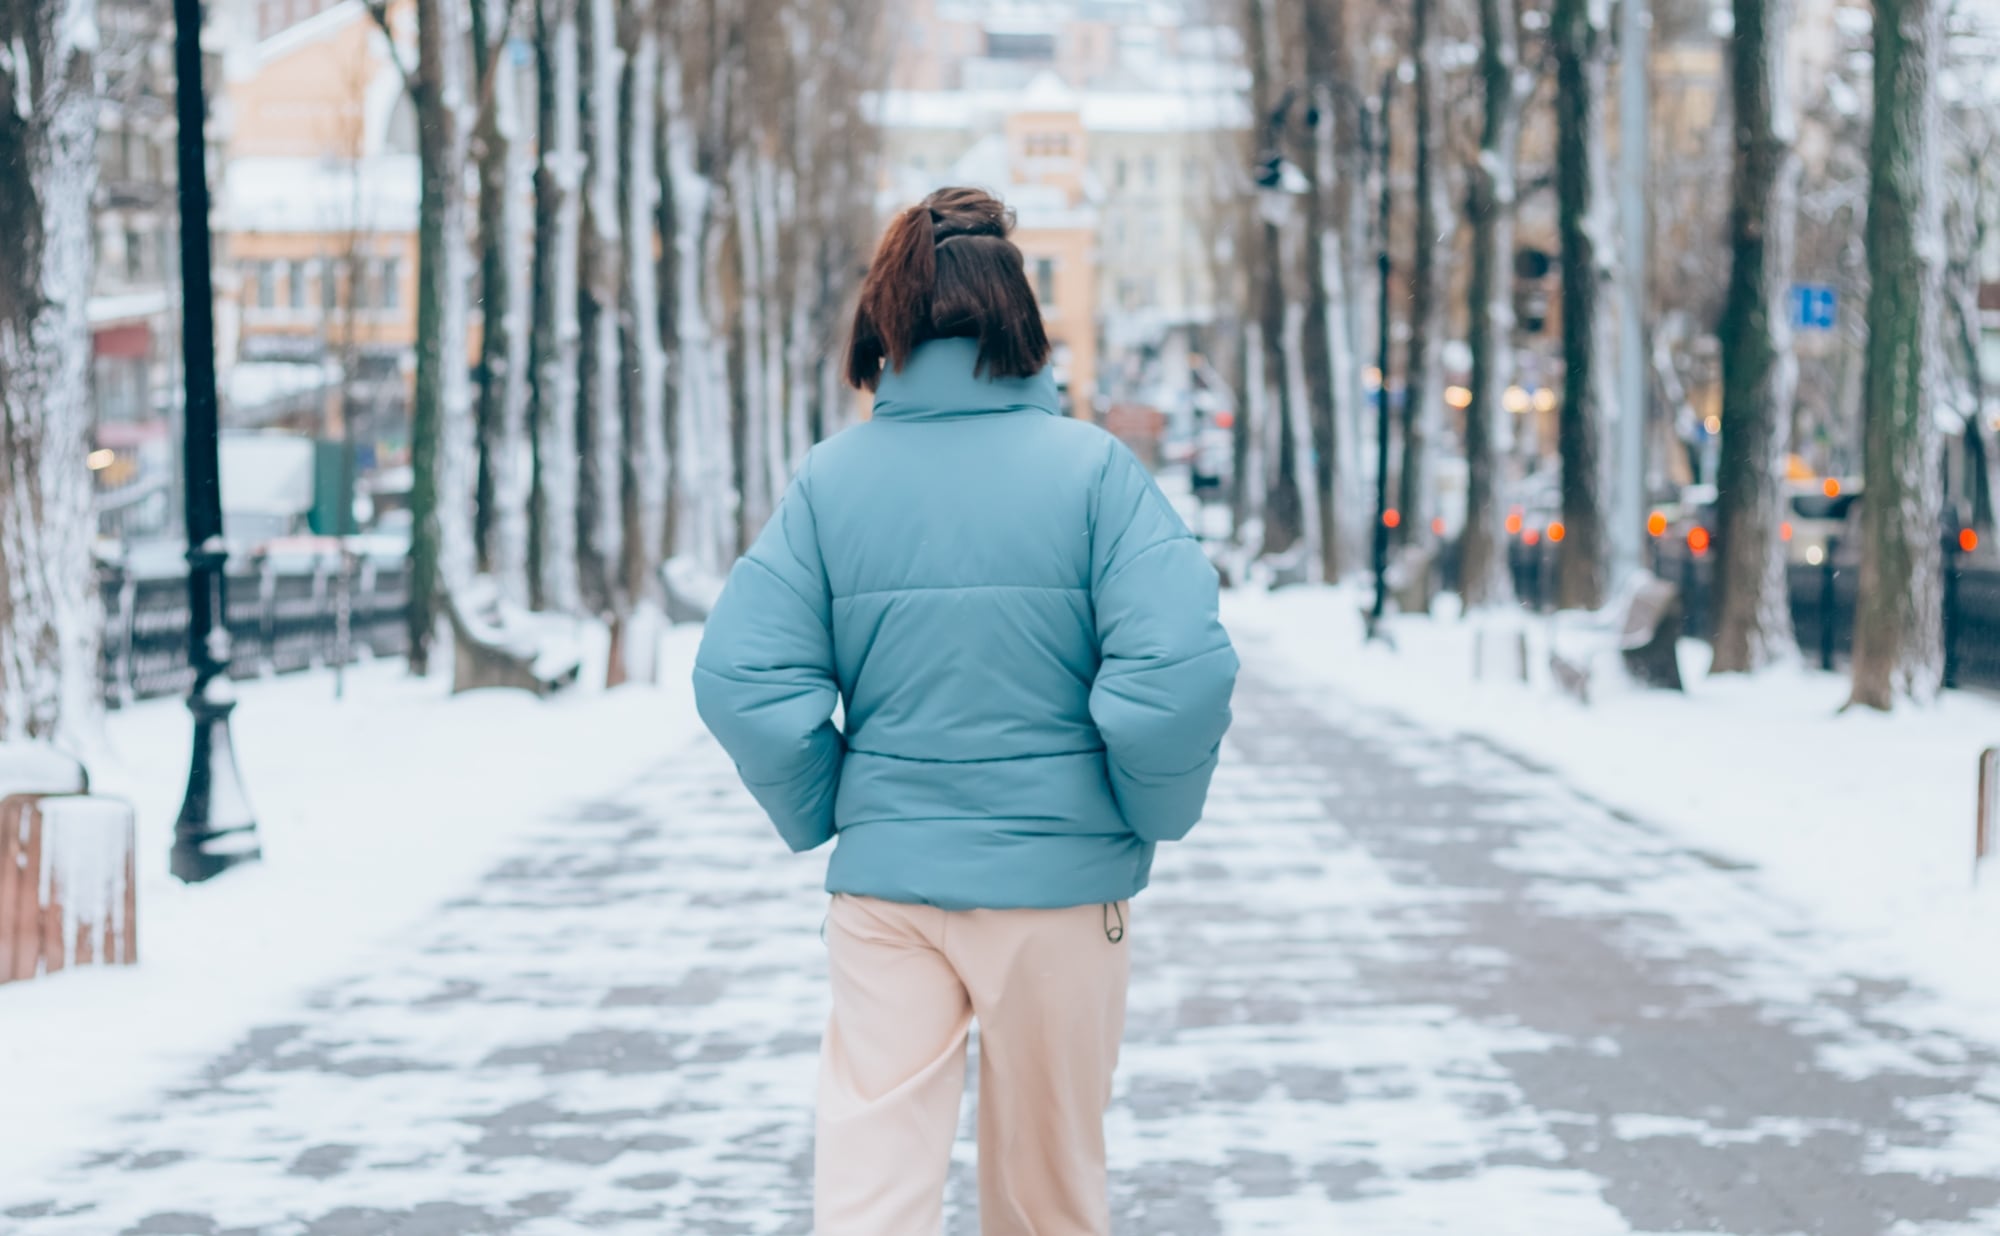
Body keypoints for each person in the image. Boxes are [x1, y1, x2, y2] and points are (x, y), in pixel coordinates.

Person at [692, 186, 1238, 1236]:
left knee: (871, 1193)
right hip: (1059, 893)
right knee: (1046, 1197)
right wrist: (1141, 811)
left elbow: (739, 677)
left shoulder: (829, 482)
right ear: (1021, 324)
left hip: (887, 895)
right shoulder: (1096, 477)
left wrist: (835, 801)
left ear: (884, 323)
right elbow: (1177, 675)